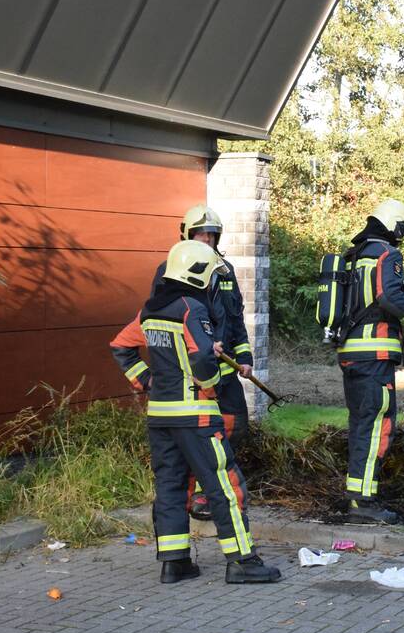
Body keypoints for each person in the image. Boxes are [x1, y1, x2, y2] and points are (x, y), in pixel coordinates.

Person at [110, 239, 280, 584]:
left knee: (171, 487)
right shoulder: (191, 307)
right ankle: (242, 562)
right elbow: (201, 358)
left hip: (160, 418)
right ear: (198, 273)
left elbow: (121, 346)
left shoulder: (151, 310)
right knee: (225, 485)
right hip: (197, 417)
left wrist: (146, 382)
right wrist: (212, 384)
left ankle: (175, 563)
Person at [337, 199, 404, 524]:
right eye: (402, 234)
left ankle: (358, 495)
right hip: (375, 355)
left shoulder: (354, 256)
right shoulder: (385, 254)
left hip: (351, 353)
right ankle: (364, 503)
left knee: (360, 424)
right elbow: (390, 297)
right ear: (395, 227)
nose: (401, 240)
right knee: (378, 424)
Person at [150, 204, 254, 522]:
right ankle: (198, 494)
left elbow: (234, 317)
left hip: (224, 370)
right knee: (196, 437)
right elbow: (159, 321)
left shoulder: (224, 271)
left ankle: (210, 487)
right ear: (187, 235)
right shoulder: (167, 271)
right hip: (190, 375)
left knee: (235, 424)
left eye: (212, 234)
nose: (207, 239)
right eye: (200, 233)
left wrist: (245, 355)